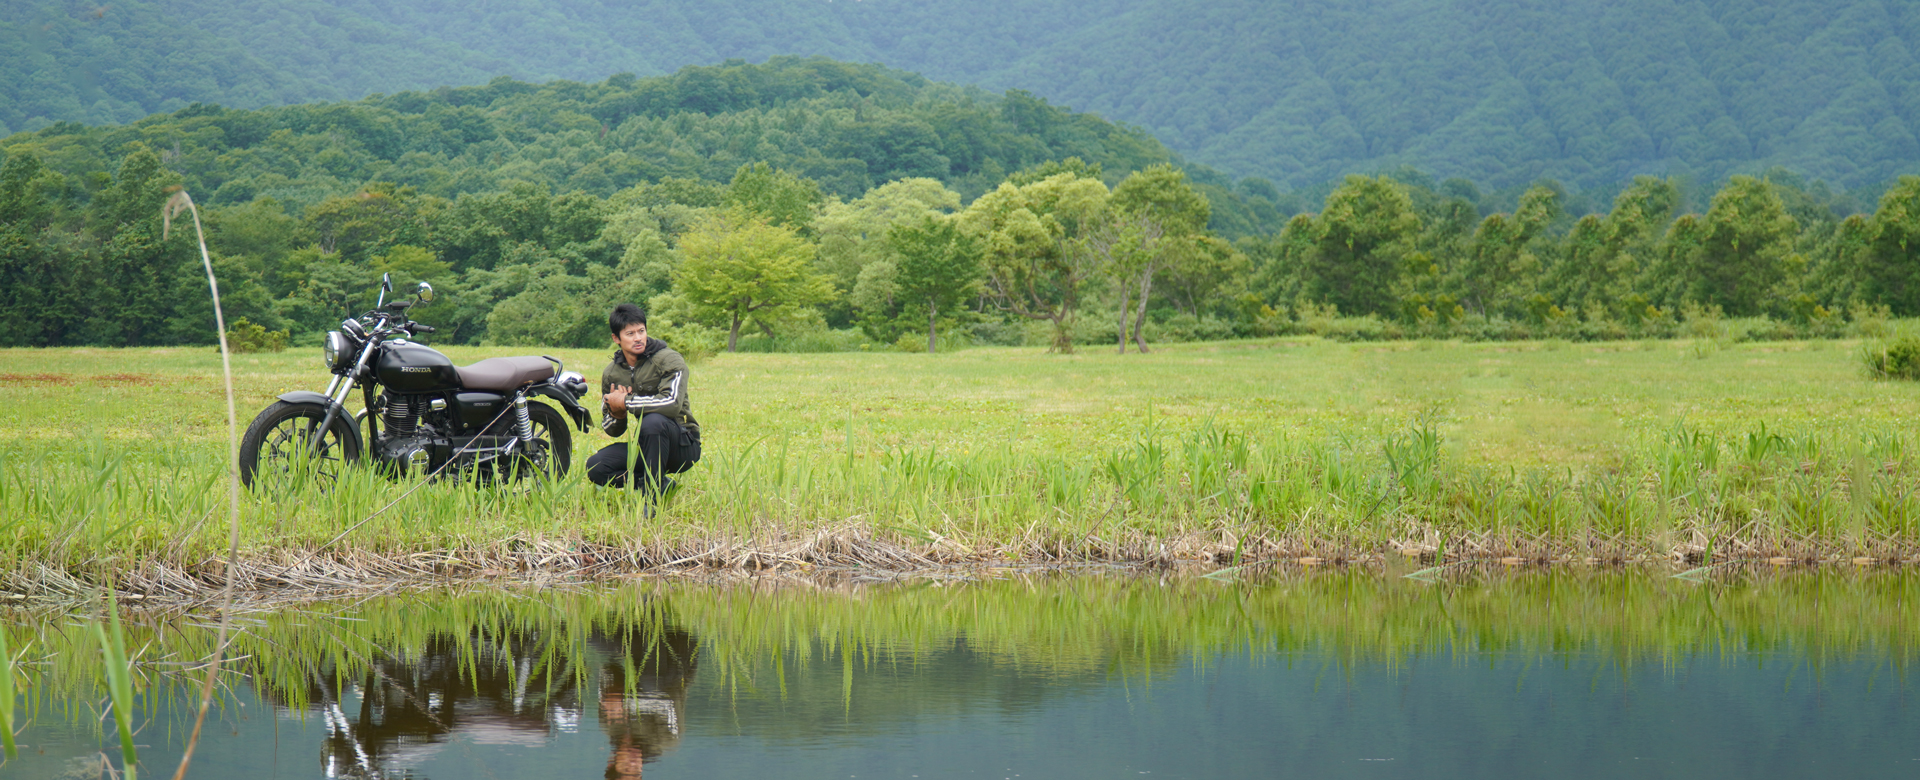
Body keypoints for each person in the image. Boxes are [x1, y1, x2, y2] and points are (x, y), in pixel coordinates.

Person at [586, 304, 701, 492]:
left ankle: (651, 497)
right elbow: (610, 428)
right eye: (630, 334)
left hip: (682, 445)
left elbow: (671, 404)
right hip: (648, 446)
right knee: (596, 466)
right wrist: (617, 414)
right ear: (616, 338)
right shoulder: (612, 374)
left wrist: (626, 402)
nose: (638, 338)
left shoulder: (669, 360)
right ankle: (659, 483)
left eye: (641, 331)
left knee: (653, 421)